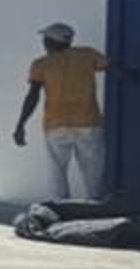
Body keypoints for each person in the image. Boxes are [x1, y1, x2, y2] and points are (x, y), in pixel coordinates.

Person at [12, 21, 116, 203]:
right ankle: (95, 203)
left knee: (56, 169)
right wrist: (135, 75)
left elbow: (33, 95)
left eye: (45, 39)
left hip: (55, 125)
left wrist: (21, 124)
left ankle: (59, 206)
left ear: (51, 42)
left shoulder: (41, 64)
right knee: (93, 169)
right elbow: (113, 68)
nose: (43, 42)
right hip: (88, 122)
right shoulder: (88, 55)